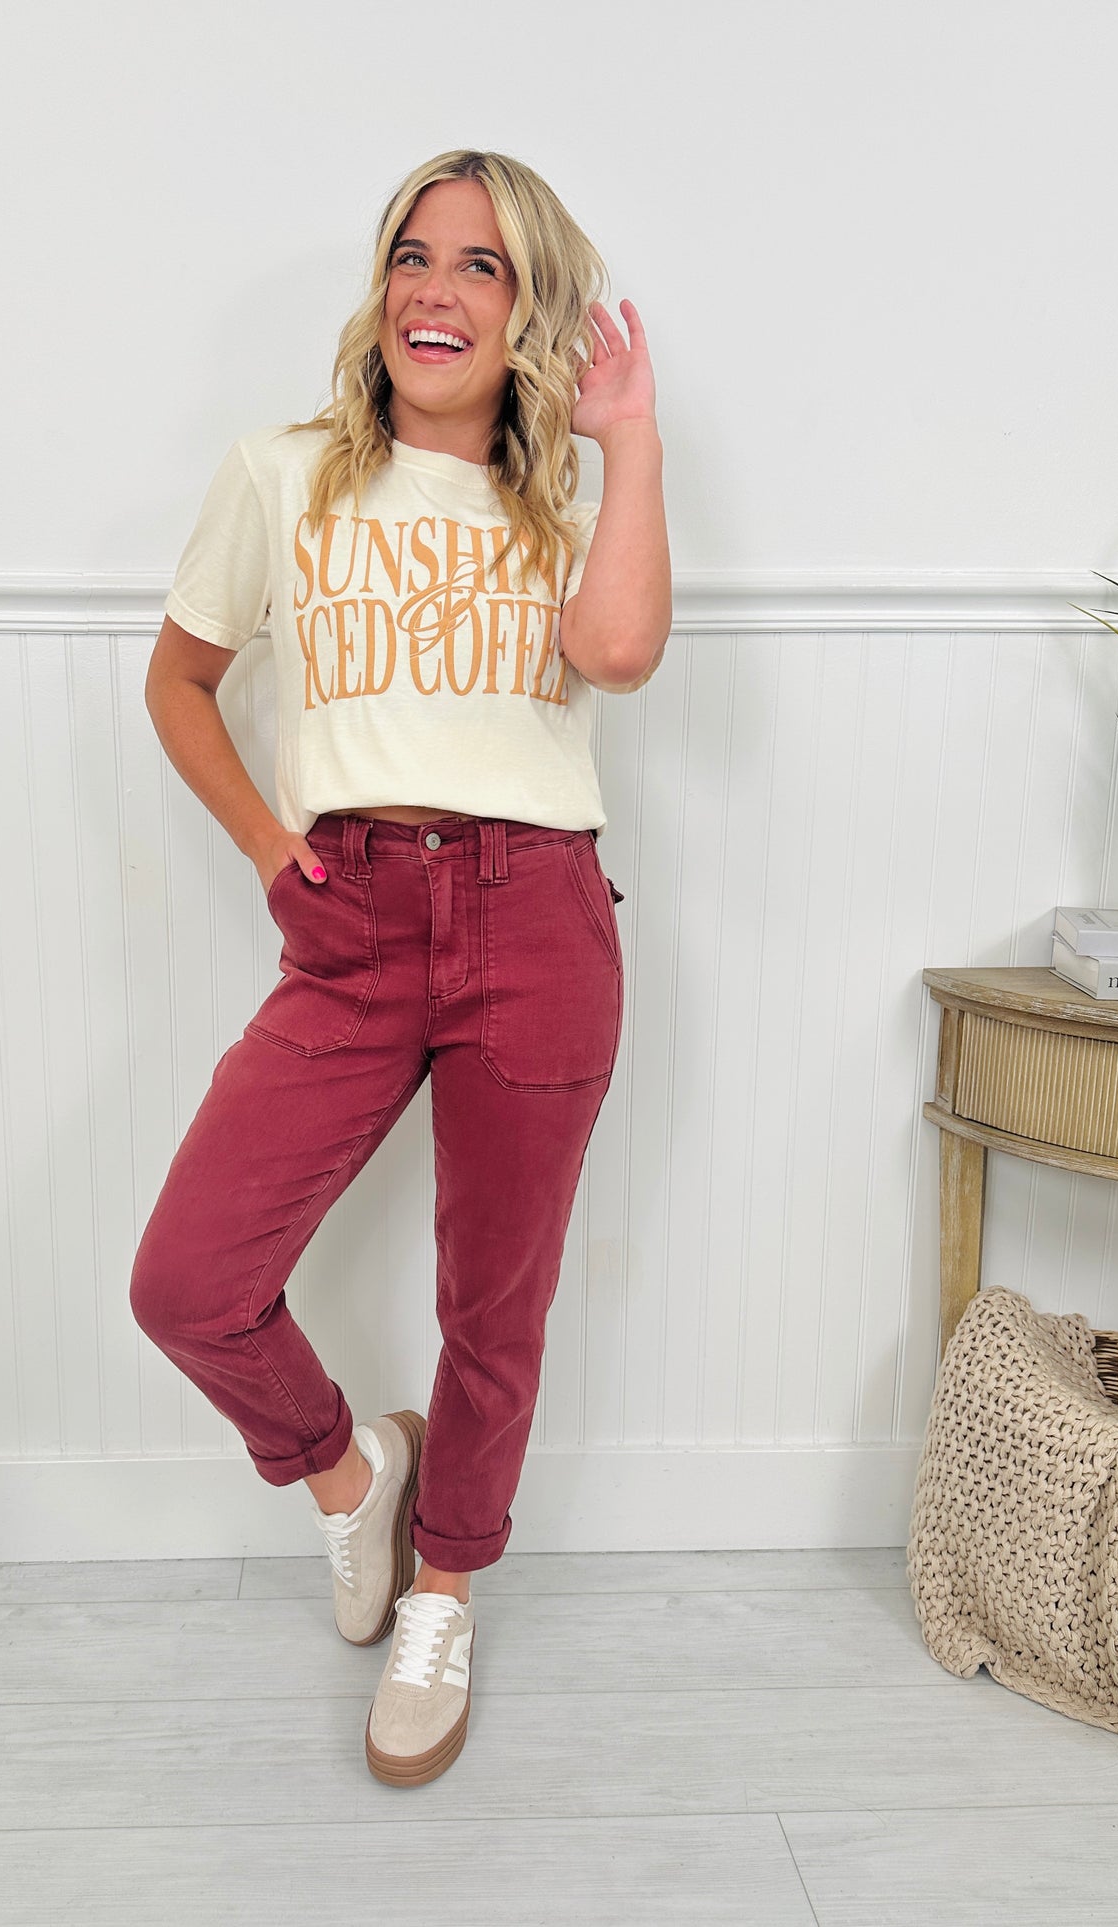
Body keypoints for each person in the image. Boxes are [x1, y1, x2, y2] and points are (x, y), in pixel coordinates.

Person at [130, 147, 670, 1787]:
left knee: (491, 1307)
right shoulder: (280, 474)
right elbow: (177, 683)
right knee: (189, 1281)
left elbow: (620, 654)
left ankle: (444, 1594)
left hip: (535, 915)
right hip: (350, 917)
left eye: (481, 268)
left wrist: (631, 439)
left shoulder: (562, 493)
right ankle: (353, 1482)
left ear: (528, 313)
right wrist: (265, 848)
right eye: (412, 257)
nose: (435, 291)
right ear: (380, 290)